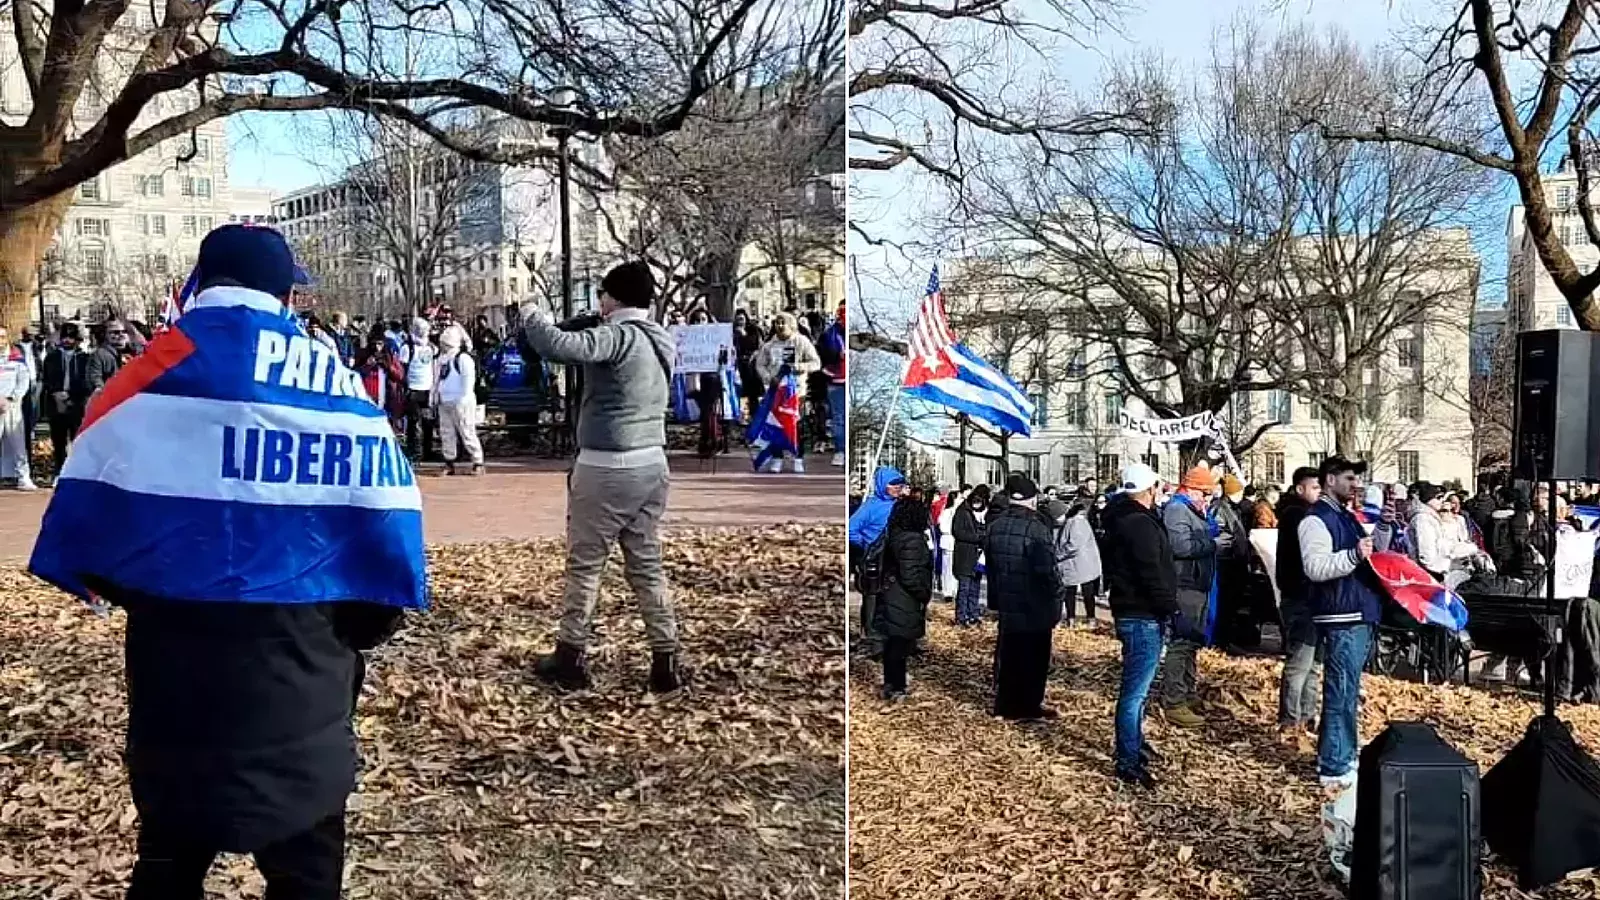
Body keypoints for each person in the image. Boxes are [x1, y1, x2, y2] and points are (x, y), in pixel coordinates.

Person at [28, 224, 424, 899]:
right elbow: (384, 556)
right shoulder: (338, 388)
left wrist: (167, 580)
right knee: (306, 875)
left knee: (168, 867)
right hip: (304, 682)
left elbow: (90, 541)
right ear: (284, 290)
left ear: (202, 282)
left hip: (175, 683)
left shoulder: (139, 381)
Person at [521, 261, 682, 693]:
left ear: (613, 298)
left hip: (607, 466)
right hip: (653, 463)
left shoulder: (616, 337)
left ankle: (570, 656)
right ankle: (665, 659)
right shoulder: (661, 338)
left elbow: (555, 345)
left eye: (603, 296)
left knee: (586, 565)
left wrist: (531, 314)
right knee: (646, 564)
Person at [1101, 463, 1176, 788]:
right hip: (1143, 615)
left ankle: (1134, 743)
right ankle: (1128, 759)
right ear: (1150, 489)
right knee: (1135, 692)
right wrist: (1170, 609)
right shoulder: (1140, 525)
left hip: (1134, 611)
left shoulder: (1122, 518)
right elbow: (1151, 574)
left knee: (1138, 690)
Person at [986, 473, 1062, 722]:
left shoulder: (995, 526)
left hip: (1008, 599)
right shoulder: (1037, 528)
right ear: (1032, 499)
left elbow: (992, 566)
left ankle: (1006, 705)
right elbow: (1047, 570)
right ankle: (1028, 705)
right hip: (1035, 602)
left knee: (1010, 654)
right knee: (1035, 657)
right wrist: (1056, 597)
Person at [1160, 464, 1222, 728]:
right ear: (1192, 488)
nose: (1207, 498)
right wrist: (1212, 542)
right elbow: (1179, 545)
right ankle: (1174, 701)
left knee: (1192, 641)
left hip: (1196, 584)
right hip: (1184, 584)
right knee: (1181, 643)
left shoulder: (1190, 509)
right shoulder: (1177, 509)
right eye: (1205, 493)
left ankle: (1187, 692)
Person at [1275, 467, 1323, 735]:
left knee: (1314, 664)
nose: (1319, 493)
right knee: (1300, 663)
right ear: (1300, 489)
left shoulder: (1308, 515)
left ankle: (1307, 716)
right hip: (1300, 597)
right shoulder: (1296, 515)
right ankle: (1290, 718)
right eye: (1315, 488)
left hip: (1313, 598)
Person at [879, 495, 933, 702]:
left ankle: (891, 683)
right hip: (903, 597)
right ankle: (897, 686)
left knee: (894, 642)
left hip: (892, 592)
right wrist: (923, 592)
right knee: (899, 643)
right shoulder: (913, 540)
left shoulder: (894, 534)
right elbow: (910, 573)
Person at [849, 467, 908, 654]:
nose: (898, 487)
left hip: (893, 559)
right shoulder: (870, 506)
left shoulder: (900, 505)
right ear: (883, 485)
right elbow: (851, 529)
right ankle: (871, 638)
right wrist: (867, 544)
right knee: (872, 598)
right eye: (893, 484)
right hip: (874, 559)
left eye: (900, 483)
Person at [753, 313, 820, 473]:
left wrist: (800, 367)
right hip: (775, 391)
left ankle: (798, 457)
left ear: (792, 325)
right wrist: (768, 377)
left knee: (795, 425)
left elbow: (816, 363)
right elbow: (760, 365)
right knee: (775, 425)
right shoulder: (769, 345)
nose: (780, 326)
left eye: (783, 323)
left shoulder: (802, 342)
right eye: (777, 323)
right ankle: (777, 457)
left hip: (795, 391)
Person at [432, 328, 485, 476]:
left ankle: (477, 460)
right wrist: (434, 396)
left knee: (467, 431)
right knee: (446, 432)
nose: (442, 345)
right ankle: (449, 461)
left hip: (461, 401)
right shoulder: (440, 360)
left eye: (444, 342)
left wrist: (464, 398)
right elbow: (436, 380)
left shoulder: (462, 358)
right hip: (445, 401)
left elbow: (469, 380)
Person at [1054, 487, 1103, 630]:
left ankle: (1084, 619)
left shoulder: (1076, 522)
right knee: (1074, 592)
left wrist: (1058, 555)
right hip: (1078, 564)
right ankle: (1075, 619)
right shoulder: (1075, 521)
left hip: (1079, 563)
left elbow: (1074, 544)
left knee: (1080, 592)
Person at [41, 322, 87, 472]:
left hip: (76, 403)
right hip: (55, 402)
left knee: (77, 439)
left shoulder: (84, 358)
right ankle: (59, 470)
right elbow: (46, 378)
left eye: (71, 338)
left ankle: (76, 470)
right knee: (58, 439)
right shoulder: (52, 356)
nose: (67, 341)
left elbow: (85, 380)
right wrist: (56, 394)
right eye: (65, 337)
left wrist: (71, 395)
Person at [0, 326, 36, 491]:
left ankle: (23, 476)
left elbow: (24, 381)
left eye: (2, 337)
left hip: (13, 406)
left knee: (18, 444)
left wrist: (12, 398)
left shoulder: (17, 358)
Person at [397, 318, 438, 461]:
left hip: (427, 389)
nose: (425, 333)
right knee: (414, 422)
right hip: (413, 389)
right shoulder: (407, 348)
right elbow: (402, 369)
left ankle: (427, 451)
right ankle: (413, 451)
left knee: (428, 422)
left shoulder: (431, 347)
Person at [950, 484, 990, 627]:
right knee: (965, 588)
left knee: (975, 588)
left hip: (976, 556)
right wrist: (978, 537)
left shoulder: (978, 512)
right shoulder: (962, 512)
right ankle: (961, 616)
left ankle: (973, 613)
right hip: (965, 555)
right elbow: (958, 532)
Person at [818, 303, 846, 467]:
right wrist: (836, 355)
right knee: (838, 417)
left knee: (840, 417)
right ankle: (839, 450)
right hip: (834, 379)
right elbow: (822, 355)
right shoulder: (829, 335)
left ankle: (842, 449)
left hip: (848, 378)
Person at [85, 320, 129, 396]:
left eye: (124, 331)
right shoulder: (99, 355)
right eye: (115, 332)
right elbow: (95, 380)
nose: (121, 335)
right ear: (104, 335)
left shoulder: (127, 354)